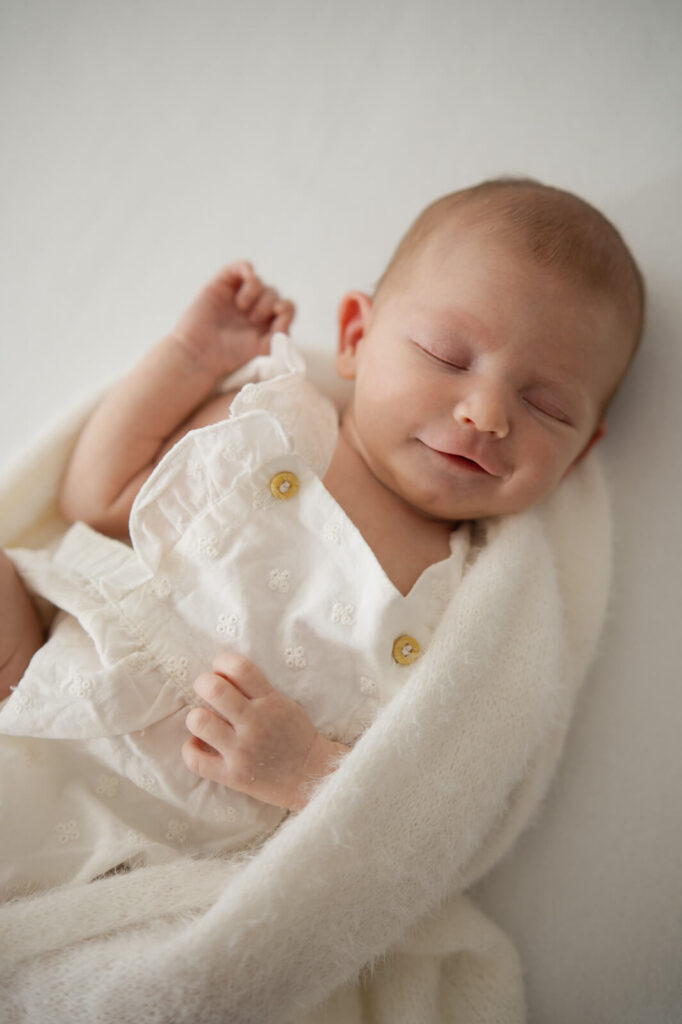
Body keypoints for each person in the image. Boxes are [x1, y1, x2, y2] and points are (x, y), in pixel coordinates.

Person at [0, 177, 644, 897]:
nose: (486, 412)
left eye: (546, 406)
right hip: (42, 677)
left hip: (164, 843)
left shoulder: (474, 607)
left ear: (582, 451)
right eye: (447, 356)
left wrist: (306, 772)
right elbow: (95, 499)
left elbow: (419, 815)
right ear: (356, 338)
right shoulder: (268, 426)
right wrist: (191, 354)